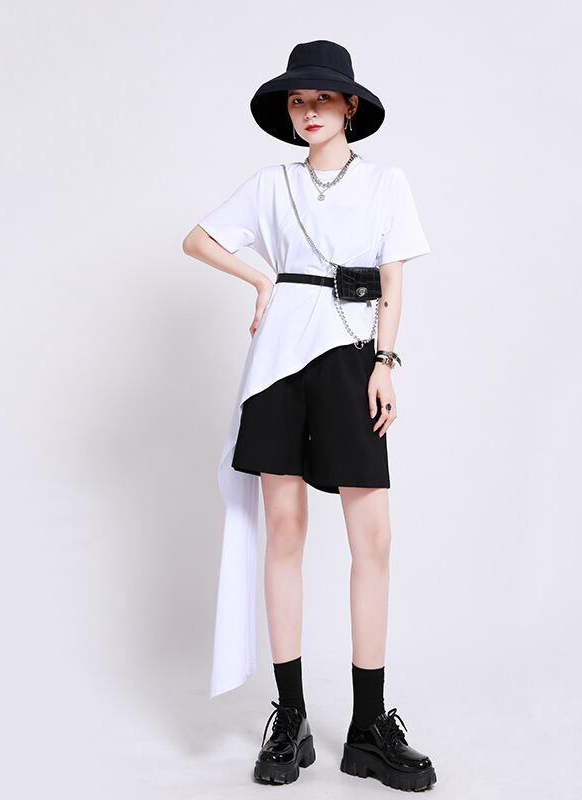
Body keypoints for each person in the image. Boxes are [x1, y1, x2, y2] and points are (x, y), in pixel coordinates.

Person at [182, 40, 437, 791]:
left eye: (322, 98)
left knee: (373, 538)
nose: (309, 111)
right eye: (298, 101)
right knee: (285, 531)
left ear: (350, 105)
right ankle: (289, 717)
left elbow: (392, 279)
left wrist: (385, 363)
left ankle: (368, 726)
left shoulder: (386, 182)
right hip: (278, 365)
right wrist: (261, 280)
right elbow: (197, 239)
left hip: (351, 360)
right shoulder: (271, 184)